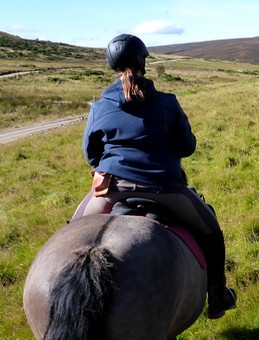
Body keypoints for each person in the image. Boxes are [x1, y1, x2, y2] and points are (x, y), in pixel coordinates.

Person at [71, 34, 236, 319]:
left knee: (71, 235)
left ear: (112, 65)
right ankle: (218, 296)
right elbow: (187, 146)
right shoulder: (167, 103)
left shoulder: (99, 107)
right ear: (142, 61)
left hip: (113, 190)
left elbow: (91, 155)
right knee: (211, 230)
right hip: (165, 189)